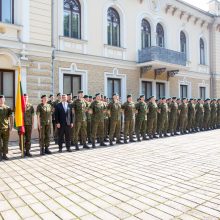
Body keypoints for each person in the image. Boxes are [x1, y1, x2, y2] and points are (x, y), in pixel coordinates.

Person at [0, 95, 13, 161]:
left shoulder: (8, 108)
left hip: (5, 128)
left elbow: (11, 117)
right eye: (0, 99)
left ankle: (4, 154)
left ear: (4, 100)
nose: (1, 101)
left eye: (2, 99)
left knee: (5, 142)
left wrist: (11, 125)